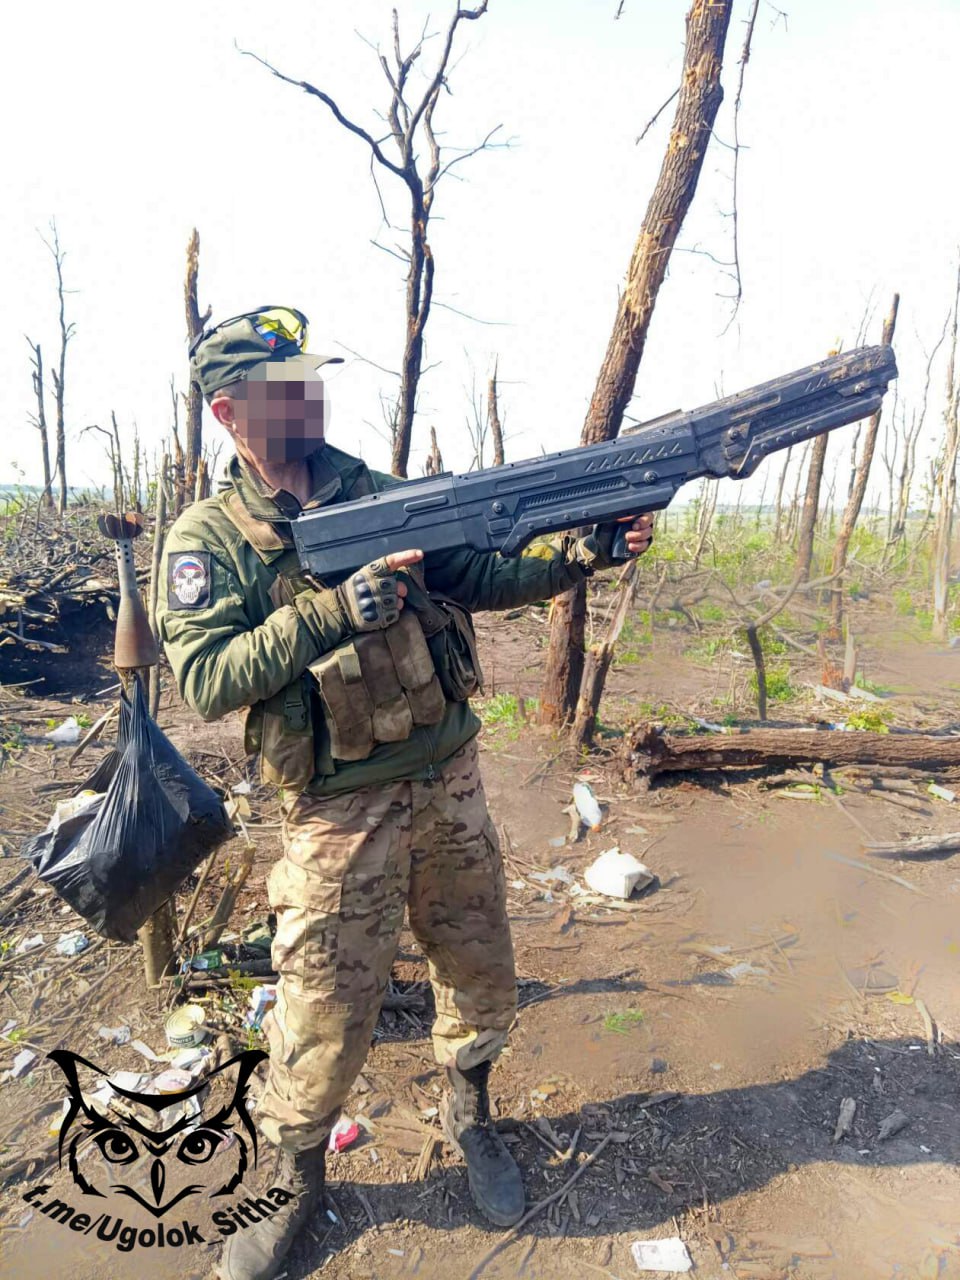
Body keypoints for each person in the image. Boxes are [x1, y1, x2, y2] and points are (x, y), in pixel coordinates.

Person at [156, 306, 653, 1280]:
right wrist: (332, 612)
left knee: (478, 964)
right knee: (323, 1002)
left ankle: (470, 1111)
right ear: (229, 410)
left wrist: (583, 551)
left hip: (447, 779)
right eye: (283, 386)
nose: (309, 395)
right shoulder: (211, 538)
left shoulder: (378, 491)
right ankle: (296, 1179)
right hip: (336, 810)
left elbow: (480, 571)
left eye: (310, 378)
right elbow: (209, 676)